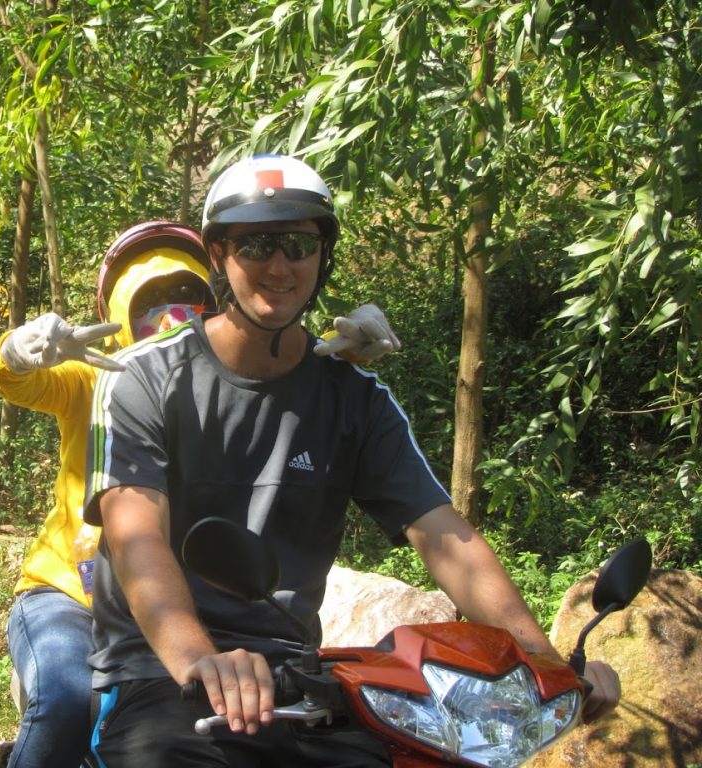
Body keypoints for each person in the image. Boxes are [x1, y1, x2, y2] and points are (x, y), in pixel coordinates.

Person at [82, 155, 622, 767]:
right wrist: (200, 659)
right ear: (218, 256)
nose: (279, 266)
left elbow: (445, 537)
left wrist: (543, 657)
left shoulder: (355, 398)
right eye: (256, 243)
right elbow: (136, 537)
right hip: (160, 673)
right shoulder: (145, 378)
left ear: (323, 255)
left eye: (298, 244)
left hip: (298, 677)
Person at [0, 218, 402, 767]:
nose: (169, 313)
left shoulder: (204, 379)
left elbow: (280, 392)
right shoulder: (95, 377)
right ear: (117, 310)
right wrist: (18, 350)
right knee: (64, 698)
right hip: (70, 593)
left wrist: (342, 359)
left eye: (186, 294)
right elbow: (16, 381)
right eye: (151, 299)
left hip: (171, 603)